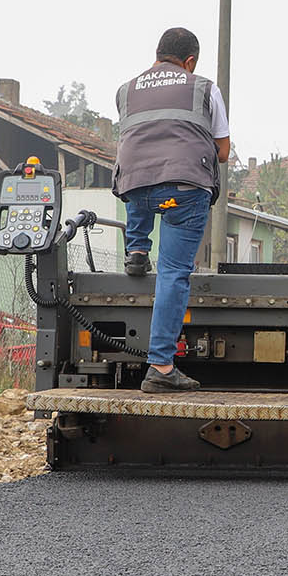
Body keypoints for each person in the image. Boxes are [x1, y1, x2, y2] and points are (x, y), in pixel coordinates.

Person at [113, 27, 231, 394]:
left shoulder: (126, 89)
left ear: (158, 53)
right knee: (172, 273)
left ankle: (136, 248)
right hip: (182, 190)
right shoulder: (203, 87)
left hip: (136, 189)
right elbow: (223, 152)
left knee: (142, 181)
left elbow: (137, 140)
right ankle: (161, 367)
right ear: (190, 61)